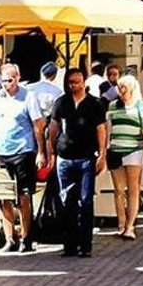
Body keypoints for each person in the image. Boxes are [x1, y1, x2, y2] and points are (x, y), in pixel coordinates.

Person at [42, 63, 110, 259]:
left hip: (86, 158)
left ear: (84, 82)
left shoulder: (94, 104)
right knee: (67, 202)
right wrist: (51, 152)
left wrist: (102, 155)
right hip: (65, 157)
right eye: (71, 82)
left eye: (77, 82)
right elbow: (53, 128)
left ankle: (85, 245)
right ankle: (70, 245)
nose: (74, 85)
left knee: (86, 200)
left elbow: (101, 130)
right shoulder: (61, 102)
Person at [0, 62, 46, 252]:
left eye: (10, 80)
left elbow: (38, 125)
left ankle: (26, 238)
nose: (6, 84)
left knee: (23, 197)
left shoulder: (28, 96)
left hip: (23, 152)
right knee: (3, 197)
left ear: (18, 78)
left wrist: (41, 151)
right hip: (1, 153)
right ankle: (9, 238)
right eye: (3, 81)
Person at [106, 76, 143, 242]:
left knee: (133, 188)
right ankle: (121, 223)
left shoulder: (141, 106)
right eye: (119, 86)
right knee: (118, 189)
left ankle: (130, 226)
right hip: (115, 150)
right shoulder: (113, 106)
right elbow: (108, 128)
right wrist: (106, 148)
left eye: (124, 86)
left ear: (132, 88)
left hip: (134, 150)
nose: (121, 89)